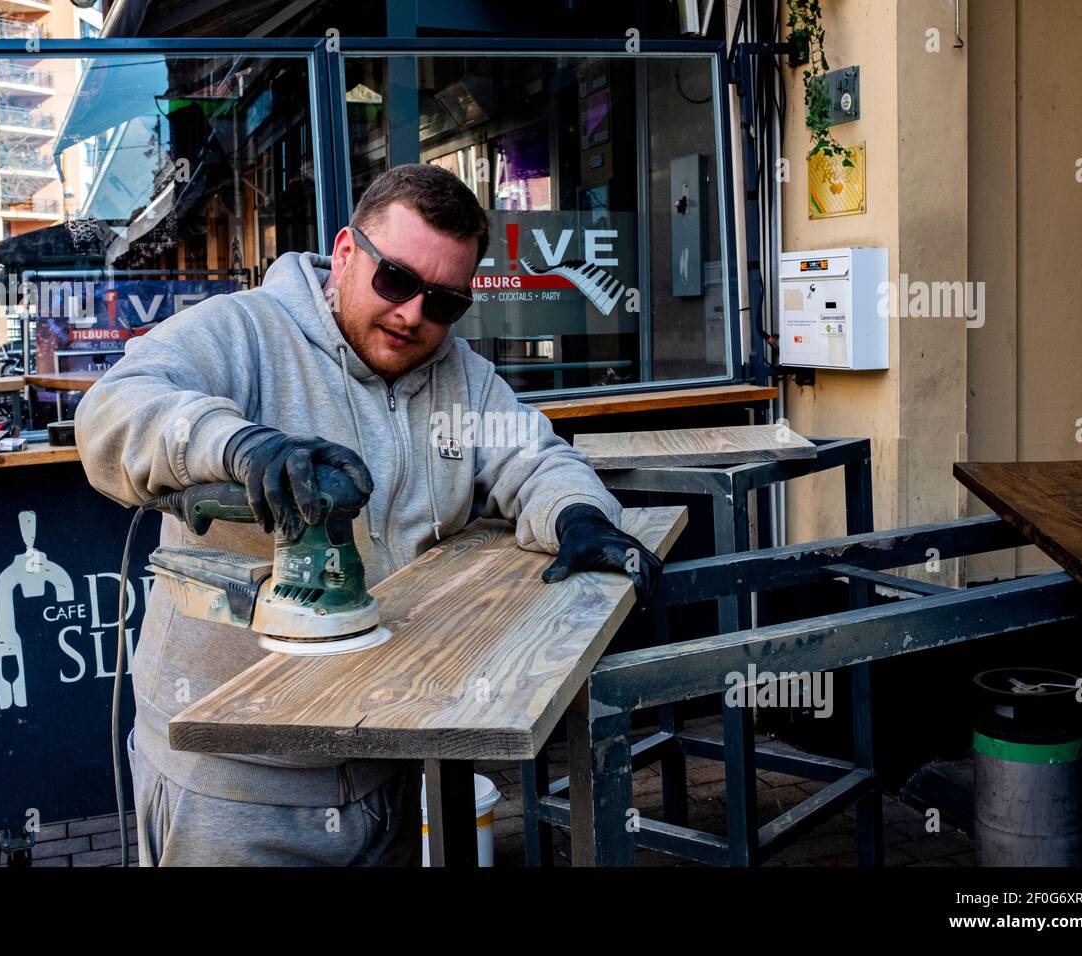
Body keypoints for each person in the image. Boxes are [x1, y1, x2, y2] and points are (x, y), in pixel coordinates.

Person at [74, 163, 662, 866]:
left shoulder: (462, 378)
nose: (414, 314)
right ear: (348, 253)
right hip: (235, 781)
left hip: (388, 756)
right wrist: (238, 445)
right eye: (397, 281)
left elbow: (533, 458)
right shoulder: (245, 332)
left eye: (444, 302)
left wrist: (578, 516)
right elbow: (113, 410)